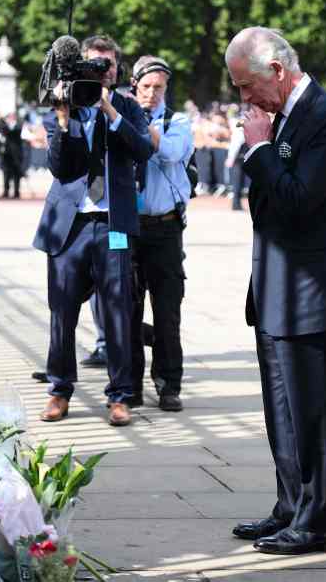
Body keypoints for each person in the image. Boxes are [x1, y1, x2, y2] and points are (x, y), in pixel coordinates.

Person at [224, 27, 326, 556]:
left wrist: (260, 148)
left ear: (278, 72)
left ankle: (319, 521)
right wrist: (262, 147)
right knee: (281, 412)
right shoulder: (286, 115)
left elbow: (298, 200)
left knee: (313, 412)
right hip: (276, 288)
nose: (244, 99)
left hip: (311, 292)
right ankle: (291, 507)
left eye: (246, 86)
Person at [32, 35, 154, 426]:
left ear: (118, 69)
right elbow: (59, 167)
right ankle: (59, 389)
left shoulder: (128, 108)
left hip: (113, 224)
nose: (104, 71)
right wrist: (65, 118)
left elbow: (142, 150)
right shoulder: (65, 105)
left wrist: (108, 109)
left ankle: (120, 396)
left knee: (118, 310)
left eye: (110, 65)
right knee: (62, 312)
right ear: (81, 66)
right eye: (95, 64)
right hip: (70, 226)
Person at [128, 55, 194, 412]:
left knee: (168, 311)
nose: (152, 94)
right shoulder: (120, 115)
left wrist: (139, 124)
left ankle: (169, 384)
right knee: (127, 310)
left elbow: (169, 152)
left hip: (166, 227)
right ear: (134, 85)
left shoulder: (178, 121)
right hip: (130, 229)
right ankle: (130, 385)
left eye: (159, 88)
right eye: (146, 87)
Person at [0, 112, 24, 198]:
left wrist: (5, 122)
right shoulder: (5, 126)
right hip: (7, 154)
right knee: (6, 173)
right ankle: (6, 191)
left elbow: (12, 132)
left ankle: (16, 192)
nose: (10, 118)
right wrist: (1, 119)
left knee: (16, 173)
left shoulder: (18, 125)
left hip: (16, 154)